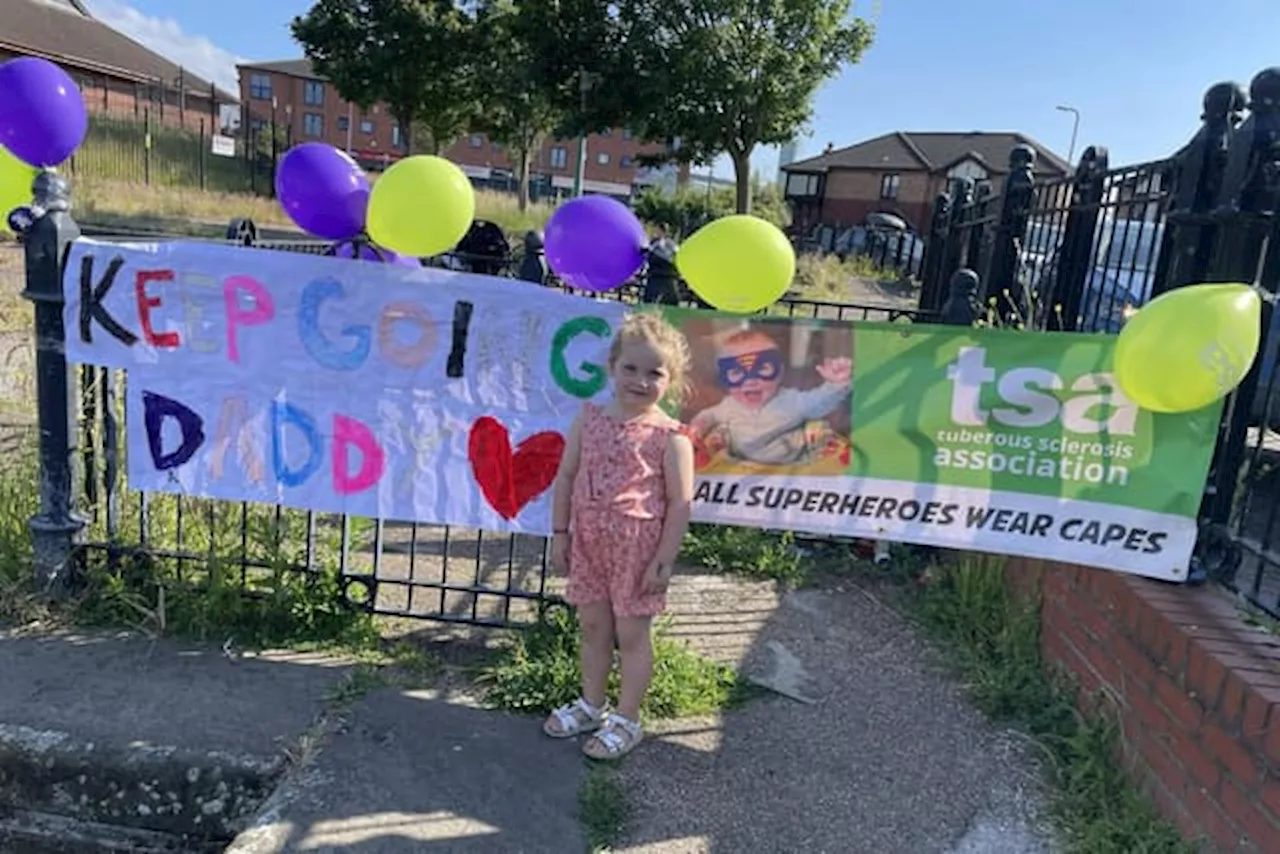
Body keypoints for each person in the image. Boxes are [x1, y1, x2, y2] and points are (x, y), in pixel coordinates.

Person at [542, 312, 696, 760]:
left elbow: (680, 504)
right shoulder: (588, 419)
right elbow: (567, 475)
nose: (641, 380)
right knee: (593, 627)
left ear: (671, 380)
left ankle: (627, 719)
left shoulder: (671, 438)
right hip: (589, 544)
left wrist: (664, 559)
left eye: (655, 373)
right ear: (612, 366)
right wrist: (560, 533)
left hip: (637, 551)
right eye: (631, 368)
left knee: (631, 635)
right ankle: (591, 705)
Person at [689, 327, 852, 467]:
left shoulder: (791, 401)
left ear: (779, 372)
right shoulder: (729, 405)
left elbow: (819, 402)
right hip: (743, 471)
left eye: (762, 369)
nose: (750, 380)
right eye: (737, 372)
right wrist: (698, 427)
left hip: (789, 470)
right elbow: (709, 415)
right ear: (725, 378)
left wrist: (836, 384)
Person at [641, 223, 681, 304]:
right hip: (654, 277)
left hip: (667, 277)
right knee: (650, 300)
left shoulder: (670, 244)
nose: (655, 232)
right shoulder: (653, 243)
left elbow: (676, 256)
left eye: (657, 230)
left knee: (668, 300)